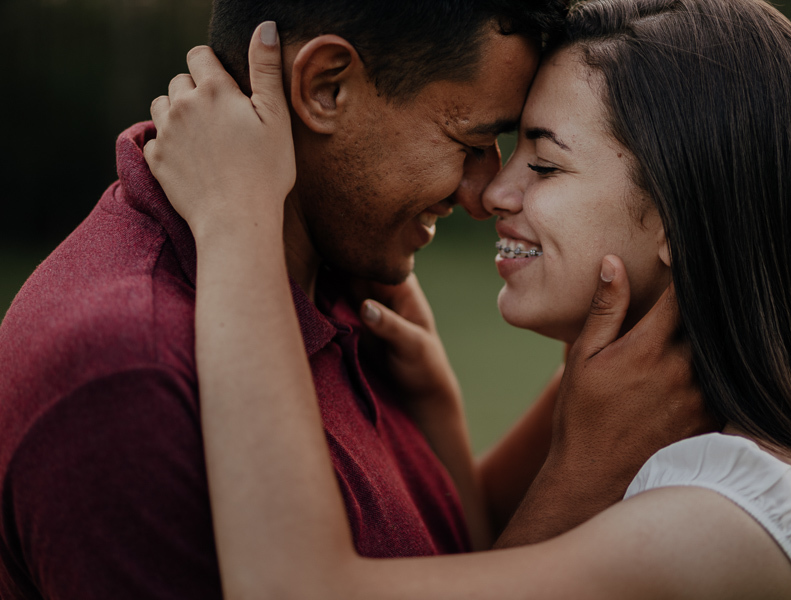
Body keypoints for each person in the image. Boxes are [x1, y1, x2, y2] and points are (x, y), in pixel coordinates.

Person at [146, 0, 791, 598]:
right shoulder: (662, 423)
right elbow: (471, 567)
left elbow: (290, 589)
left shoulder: (722, 528)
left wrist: (235, 217)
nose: (494, 192)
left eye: (543, 164)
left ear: (677, 219)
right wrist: (443, 415)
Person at [0, 1, 708, 598]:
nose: (485, 194)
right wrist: (573, 486)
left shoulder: (356, 280)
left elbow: (443, 555)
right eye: (471, 140)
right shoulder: (132, 374)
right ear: (327, 87)